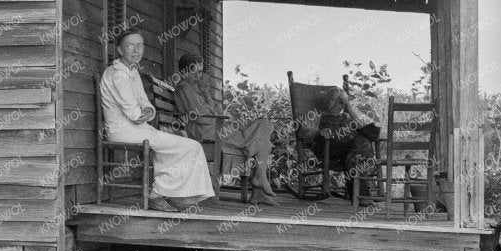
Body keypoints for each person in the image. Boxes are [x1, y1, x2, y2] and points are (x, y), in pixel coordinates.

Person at [99, 30, 214, 211]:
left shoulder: (133, 72)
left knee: (188, 146)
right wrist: (141, 113)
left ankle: (177, 196)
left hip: (140, 129)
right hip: (124, 131)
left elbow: (145, 104)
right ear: (120, 50)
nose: (136, 50)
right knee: (192, 146)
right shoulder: (118, 74)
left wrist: (146, 111)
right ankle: (158, 194)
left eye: (140, 45)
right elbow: (134, 113)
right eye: (131, 45)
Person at [171, 54, 282, 204]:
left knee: (263, 137)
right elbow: (201, 118)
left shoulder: (196, 89)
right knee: (262, 127)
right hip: (206, 133)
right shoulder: (185, 88)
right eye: (194, 71)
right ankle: (259, 182)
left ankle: (258, 189)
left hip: (215, 129)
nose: (199, 75)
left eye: (201, 71)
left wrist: (206, 95)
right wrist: (211, 111)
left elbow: (215, 113)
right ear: (184, 72)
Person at [295, 77, 381, 198]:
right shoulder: (316, 114)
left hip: (348, 152)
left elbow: (361, 129)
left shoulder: (346, 116)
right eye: (334, 101)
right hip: (329, 149)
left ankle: (359, 196)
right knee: (359, 147)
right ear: (327, 101)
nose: (337, 104)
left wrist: (350, 110)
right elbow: (303, 131)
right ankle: (361, 196)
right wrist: (320, 132)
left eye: (341, 102)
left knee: (359, 147)